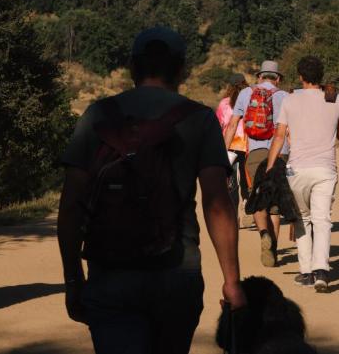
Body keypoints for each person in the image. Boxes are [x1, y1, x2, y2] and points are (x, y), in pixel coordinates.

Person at [57, 27, 245, 354]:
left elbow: (71, 204)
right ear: (182, 68)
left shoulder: (98, 115)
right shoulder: (199, 119)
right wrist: (232, 280)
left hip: (110, 273)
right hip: (176, 272)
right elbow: (217, 204)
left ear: (132, 66)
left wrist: (73, 279)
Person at [265, 56, 339, 293]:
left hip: (297, 169)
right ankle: (322, 271)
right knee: (322, 220)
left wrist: (271, 166)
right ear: (321, 75)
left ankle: (306, 272)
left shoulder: (290, 100)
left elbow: (279, 136)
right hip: (326, 169)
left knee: (301, 219)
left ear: (301, 76)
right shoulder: (335, 97)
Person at [222, 61, 289, 267]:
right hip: (280, 153)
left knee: (258, 196)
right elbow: (290, 130)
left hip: (255, 153)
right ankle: (274, 249)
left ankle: (263, 235)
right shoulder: (285, 96)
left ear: (260, 77)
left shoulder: (245, 94)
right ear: (277, 78)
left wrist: (223, 153)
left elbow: (233, 124)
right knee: (275, 203)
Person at [216, 73, 250, 214]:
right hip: (248, 145)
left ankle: (234, 213)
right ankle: (247, 204)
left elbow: (219, 125)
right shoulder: (250, 100)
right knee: (247, 179)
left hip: (230, 146)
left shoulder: (224, 103)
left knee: (232, 182)